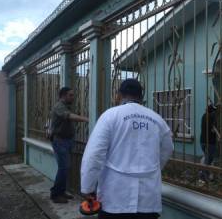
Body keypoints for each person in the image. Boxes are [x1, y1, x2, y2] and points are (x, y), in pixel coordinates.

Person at [80, 79, 174, 219]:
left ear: (119, 95)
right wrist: (152, 169)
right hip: (148, 200)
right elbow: (168, 149)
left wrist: (87, 187)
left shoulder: (110, 116)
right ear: (141, 97)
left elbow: (94, 154)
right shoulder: (157, 120)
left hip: (115, 199)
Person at [50, 87, 88, 203]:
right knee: (63, 168)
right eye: (70, 95)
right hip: (60, 141)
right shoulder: (59, 106)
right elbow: (69, 116)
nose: (73, 97)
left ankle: (61, 192)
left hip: (66, 141)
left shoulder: (66, 106)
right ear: (63, 96)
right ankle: (55, 194)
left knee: (65, 168)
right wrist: (87, 119)